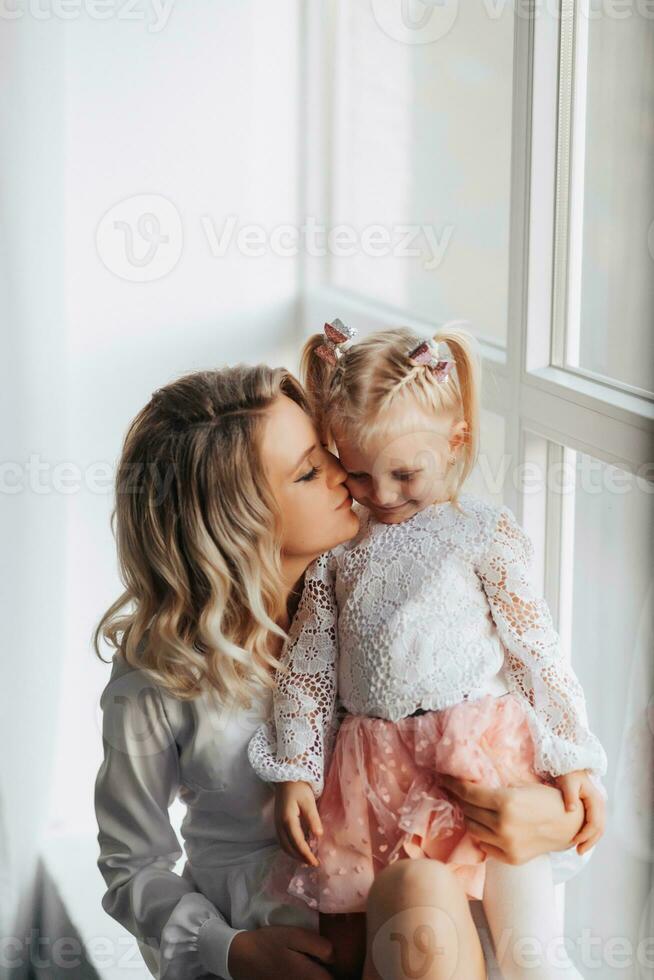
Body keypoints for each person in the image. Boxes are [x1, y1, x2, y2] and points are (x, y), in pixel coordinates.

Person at [94, 362, 595, 980]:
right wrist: (230, 951)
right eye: (309, 471)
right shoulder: (163, 670)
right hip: (282, 952)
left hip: (438, 938)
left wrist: (558, 822)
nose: (345, 476)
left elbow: (514, 729)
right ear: (239, 522)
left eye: (328, 452)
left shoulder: (408, 596)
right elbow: (131, 866)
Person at [248, 323, 608, 980]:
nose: (382, 495)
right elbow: (307, 672)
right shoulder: (338, 556)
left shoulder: (482, 532)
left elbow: (537, 652)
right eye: (358, 473)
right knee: (367, 948)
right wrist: (296, 771)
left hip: (480, 761)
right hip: (371, 765)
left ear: (456, 442)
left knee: (532, 951)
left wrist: (572, 758)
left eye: (404, 473)